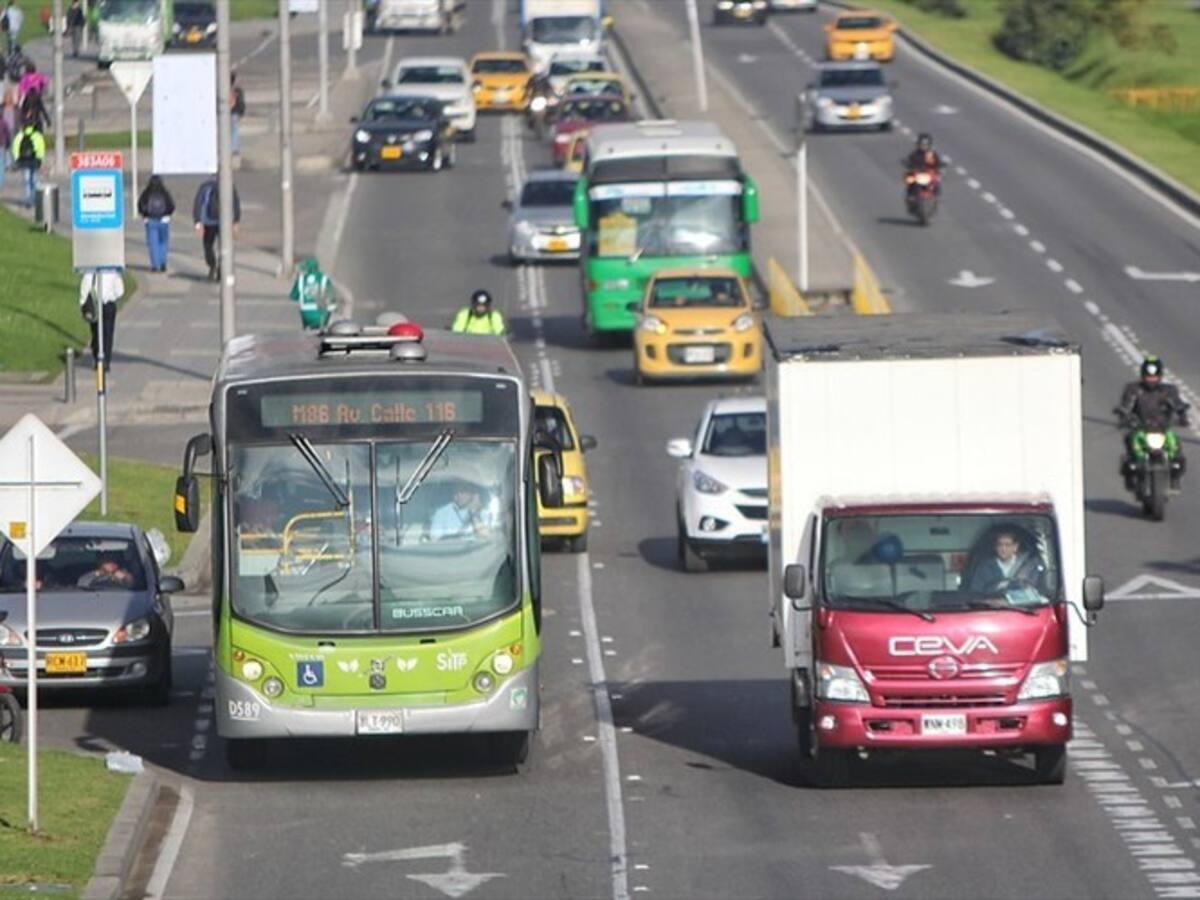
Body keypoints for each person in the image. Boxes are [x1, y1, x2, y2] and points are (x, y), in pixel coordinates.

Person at [1116, 354, 1190, 489]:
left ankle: (1174, 478)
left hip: (1163, 429)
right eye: (1149, 377)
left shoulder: (1168, 390)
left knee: (1175, 447)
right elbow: (1126, 405)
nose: (1151, 380)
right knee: (1130, 442)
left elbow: (1178, 403)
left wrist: (1182, 415)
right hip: (1141, 428)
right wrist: (1124, 415)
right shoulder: (1133, 389)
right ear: (1143, 376)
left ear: (1160, 376)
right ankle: (1132, 478)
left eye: (1154, 377)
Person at [967, 527, 1045, 594]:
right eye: (1000, 544)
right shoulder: (984, 568)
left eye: (1007, 545)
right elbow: (976, 593)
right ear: (995, 547)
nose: (1003, 549)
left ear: (1015, 547)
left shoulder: (1028, 566)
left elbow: (1037, 590)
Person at [192, 176, 241, 281]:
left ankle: (212, 265)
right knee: (223, 246)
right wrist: (236, 220)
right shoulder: (229, 186)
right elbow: (236, 203)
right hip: (225, 221)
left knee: (208, 245)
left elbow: (198, 203)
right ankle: (221, 269)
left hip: (208, 221)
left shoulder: (205, 187)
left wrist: (197, 222)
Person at [79, 270, 124, 372]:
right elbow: (120, 292)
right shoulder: (113, 272)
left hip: (94, 306)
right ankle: (106, 361)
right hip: (108, 305)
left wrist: (83, 305)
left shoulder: (90, 273)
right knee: (108, 333)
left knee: (96, 332)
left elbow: (84, 290)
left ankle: (97, 358)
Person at [137, 175, 175, 273]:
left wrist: (144, 215)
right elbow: (171, 206)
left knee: (153, 243)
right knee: (163, 242)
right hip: (164, 221)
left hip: (150, 220)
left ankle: (155, 265)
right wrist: (167, 215)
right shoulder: (165, 192)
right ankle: (163, 262)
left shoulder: (146, 193)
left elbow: (140, 205)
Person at [289, 256, 337, 330]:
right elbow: (331, 298)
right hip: (321, 313)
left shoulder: (301, 279)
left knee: (307, 330)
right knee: (323, 328)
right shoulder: (324, 278)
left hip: (305, 314)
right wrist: (332, 309)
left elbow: (293, 296)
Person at [10, 114, 43, 208]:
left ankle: (28, 199)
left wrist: (17, 158)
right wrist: (40, 158)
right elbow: (41, 148)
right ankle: (35, 198)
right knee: (34, 180)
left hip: (24, 161)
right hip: (34, 160)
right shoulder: (37, 135)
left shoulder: (20, 135)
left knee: (26, 180)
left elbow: (15, 147)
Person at [230, 71, 245, 156]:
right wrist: (241, 112)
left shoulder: (220, 89)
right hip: (234, 113)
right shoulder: (238, 90)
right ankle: (234, 149)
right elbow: (241, 102)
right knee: (234, 131)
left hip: (223, 114)